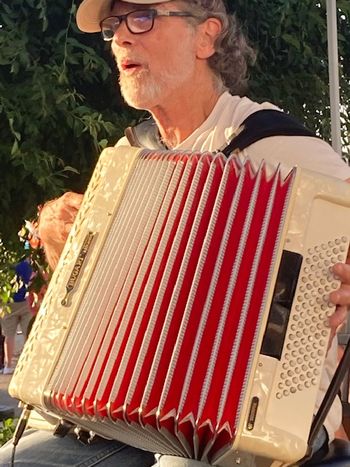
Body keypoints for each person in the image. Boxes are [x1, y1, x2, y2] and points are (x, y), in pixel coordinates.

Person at [2, 0, 350, 465]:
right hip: (123, 417)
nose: (122, 37)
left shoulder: (283, 149)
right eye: (113, 25)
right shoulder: (130, 159)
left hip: (260, 423)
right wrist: (62, 238)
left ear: (206, 36)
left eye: (141, 17)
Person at [0, 257, 33, 375]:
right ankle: (30, 363)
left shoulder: (6, 262)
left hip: (8, 302)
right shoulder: (28, 261)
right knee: (28, 333)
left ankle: (8, 365)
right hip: (26, 301)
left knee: (9, 336)